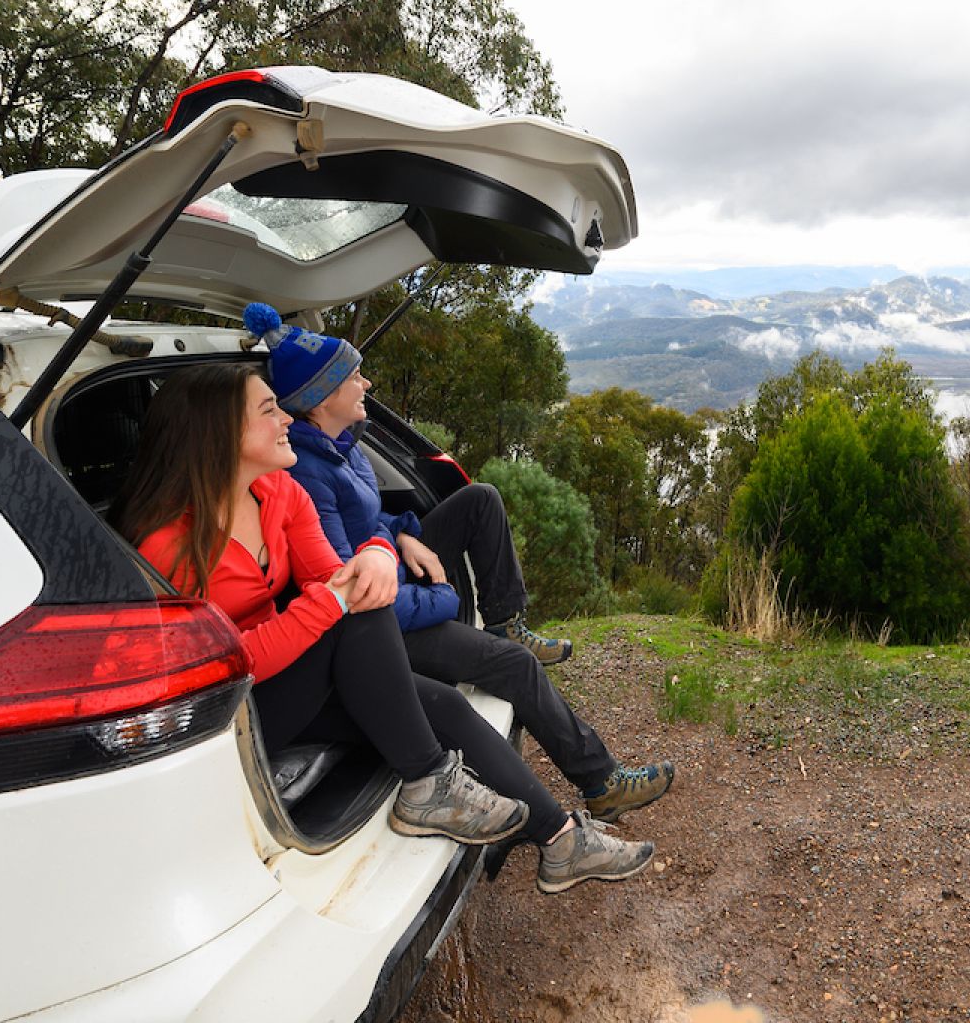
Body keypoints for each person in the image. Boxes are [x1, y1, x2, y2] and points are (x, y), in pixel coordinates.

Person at [111, 363, 655, 893]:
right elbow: (229, 665)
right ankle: (430, 783)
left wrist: (374, 553)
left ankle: (559, 841)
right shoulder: (166, 549)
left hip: (293, 672)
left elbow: (336, 574)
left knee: (443, 705)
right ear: (220, 435)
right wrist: (342, 593)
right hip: (234, 712)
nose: (285, 420)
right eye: (270, 410)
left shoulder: (279, 493)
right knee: (353, 616)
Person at [242, 303, 675, 825]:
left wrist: (403, 535)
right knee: (516, 666)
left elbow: (371, 517)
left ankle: (507, 621)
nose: (367, 383)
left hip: (394, 573)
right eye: (355, 376)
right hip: (384, 622)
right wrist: (440, 599)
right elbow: (351, 591)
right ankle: (600, 781)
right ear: (324, 396)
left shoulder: (345, 447)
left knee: (480, 498)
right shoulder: (309, 472)